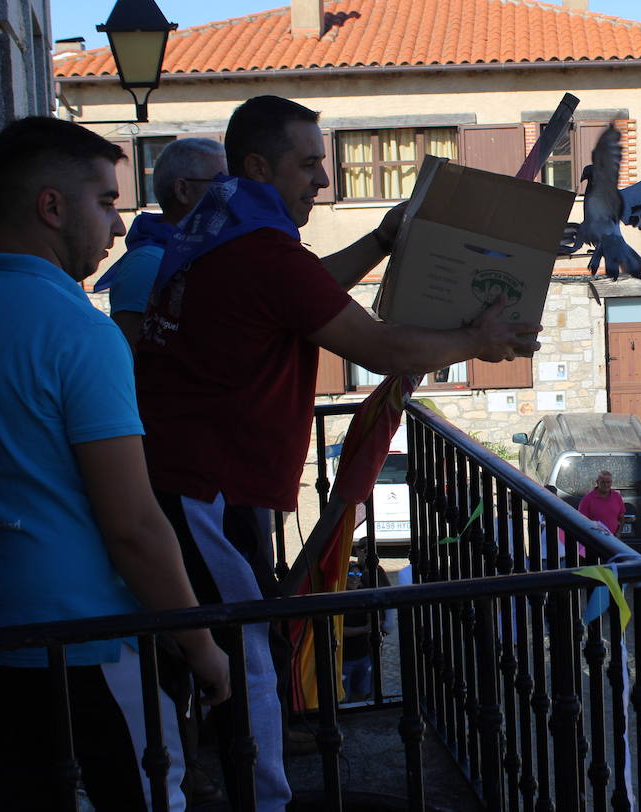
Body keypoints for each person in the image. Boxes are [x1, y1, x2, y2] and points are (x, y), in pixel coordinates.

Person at [136, 95, 540, 809]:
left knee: (230, 653)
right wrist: (476, 342)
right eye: (310, 164)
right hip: (208, 489)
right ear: (259, 166)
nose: (324, 180)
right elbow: (379, 347)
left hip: (195, 480)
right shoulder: (261, 251)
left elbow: (304, 291)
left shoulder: (222, 227)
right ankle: (262, 801)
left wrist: (384, 241)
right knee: (248, 661)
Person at [0, 116, 231, 810]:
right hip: (79, 643)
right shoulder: (81, 333)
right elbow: (134, 523)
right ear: (52, 206)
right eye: (106, 201)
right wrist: (199, 646)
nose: (117, 223)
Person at [97, 137, 226, 348]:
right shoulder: (148, 263)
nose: (231, 194)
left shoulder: (189, 252)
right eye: (220, 185)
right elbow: (131, 356)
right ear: (183, 190)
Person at [341, 538, 391, 702]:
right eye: (366, 550)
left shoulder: (379, 571)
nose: (370, 554)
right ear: (358, 551)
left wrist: (386, 624)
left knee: (370, 673)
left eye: (374, 551)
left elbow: (389, 598)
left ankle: (370, 699)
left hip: (374, 633)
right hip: (358, 638)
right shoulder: (353, 571)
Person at [578, 470, 626, 535]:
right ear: (597, 482)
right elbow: (581, 522)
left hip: (614, 540)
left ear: (611, 483)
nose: (606, 485)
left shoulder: (617, 496)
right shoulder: (587, 499)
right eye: (603, 482)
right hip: (595, 540)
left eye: (608, 482)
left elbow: (621, 518)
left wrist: (618, 533)